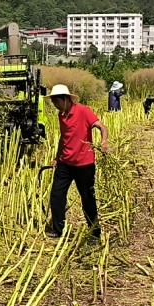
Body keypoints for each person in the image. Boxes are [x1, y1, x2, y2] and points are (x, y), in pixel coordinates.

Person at [45, 84, 108, 240]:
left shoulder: (83, 111)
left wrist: (104, 142)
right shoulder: (62, 115)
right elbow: (64, 137)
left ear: (65, 99)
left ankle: (94, 233)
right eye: (53, 102)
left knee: (87, 198)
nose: (55, 105)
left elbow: (101, 127)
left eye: (56, 102)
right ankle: (58, 230)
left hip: (84, 165)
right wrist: (56, 156)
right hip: (65, 163)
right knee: (56, 195)